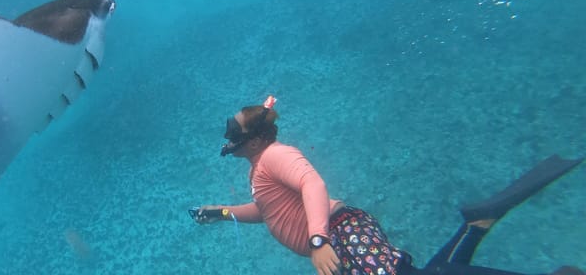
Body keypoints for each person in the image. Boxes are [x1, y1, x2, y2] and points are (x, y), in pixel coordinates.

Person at [193, 96, 584, 275]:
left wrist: (317, 241)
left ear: (257, 139)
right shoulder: (260, 167)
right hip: (341, 240)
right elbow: (269, 211)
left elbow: (312, 182)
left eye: (234, 130)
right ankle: (474, 226)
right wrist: (222, 213)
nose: (228, 136)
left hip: (342, 235)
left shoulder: (275, 156)